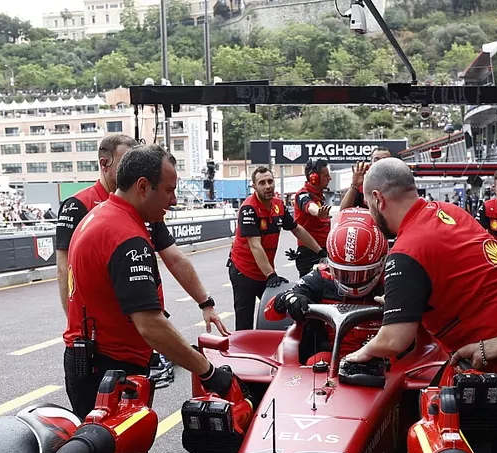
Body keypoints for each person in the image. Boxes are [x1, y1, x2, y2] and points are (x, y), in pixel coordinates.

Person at [344, 157, 497, 453]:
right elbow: (458, 274)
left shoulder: (406, 250)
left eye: (368, 204)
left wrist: (355, 355)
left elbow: (394, 340)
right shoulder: (449, 212)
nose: (370, 212)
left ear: (378, 200)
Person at [63, 143, 239, 419]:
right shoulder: (126, 237)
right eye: (169, 191)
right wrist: (208, 371)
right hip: (111, 367)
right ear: (143, 187)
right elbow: (151, 325)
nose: (174, 201)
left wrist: (205, 301)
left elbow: (176, 260)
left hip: (91, 358)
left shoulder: (101, 215)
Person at [265, 209, 387, 362]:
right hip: (336, 360)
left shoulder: (394, 279)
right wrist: (291, 300)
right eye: (344, 274)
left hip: (386, 358)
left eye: (362, 274)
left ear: (381, 263)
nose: (353, 282)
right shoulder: (322, 278)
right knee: (315, 361)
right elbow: (270, 312)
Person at [228, 166, 325, 331]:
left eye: (270, 181)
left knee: (275, 315)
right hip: (244, 272)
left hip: (265, 272)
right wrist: (270, 274)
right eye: (262, 183)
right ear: (254, 187)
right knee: (244, 324)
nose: (267, 186)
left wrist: (320, 252)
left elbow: (297, 229)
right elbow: (255, 245)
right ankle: (243, 352)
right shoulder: (248, 209)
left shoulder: (278, 205)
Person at [55, 134, 137, 313]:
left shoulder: (139, 203)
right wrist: (74, 323)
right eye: (125, 163)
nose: (131, 170)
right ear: (104, 163)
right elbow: (63, 269)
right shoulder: (77, 205)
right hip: (94, 321)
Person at [292, 159, 333, 275]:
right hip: (310, 254)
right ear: (314, 178)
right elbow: (310, 206)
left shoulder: (319, 197)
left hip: (323, 252)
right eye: (326, 175)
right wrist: (318, 212)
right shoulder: (303, 195)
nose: (330, 178)